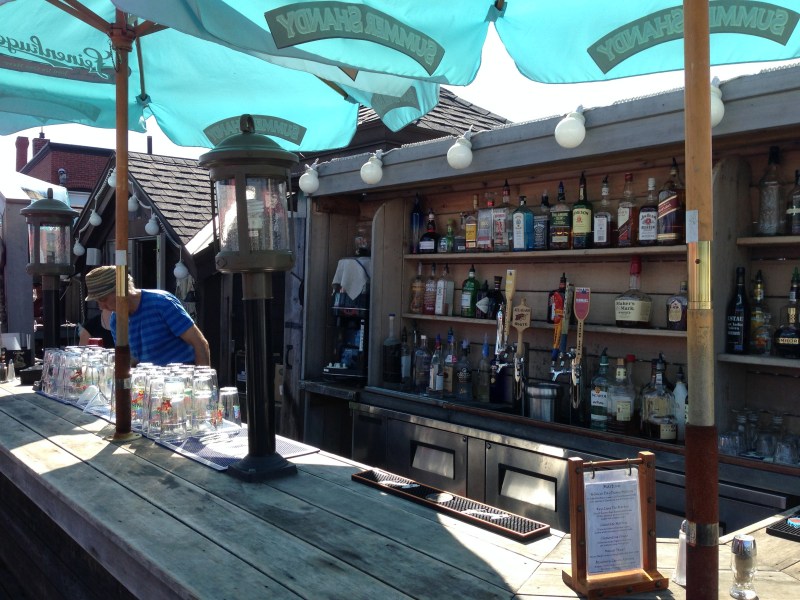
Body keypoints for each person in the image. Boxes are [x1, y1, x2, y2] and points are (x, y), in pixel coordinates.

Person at [84, 266, 210, 367]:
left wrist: (203, 385)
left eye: (103, 299)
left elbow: (199, 343)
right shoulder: (116, 320)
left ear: (120, 291)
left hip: (180, 380)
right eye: (97, 302)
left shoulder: (161, 303)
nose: (101, 307)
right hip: (148, 386)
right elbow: (130, 361)